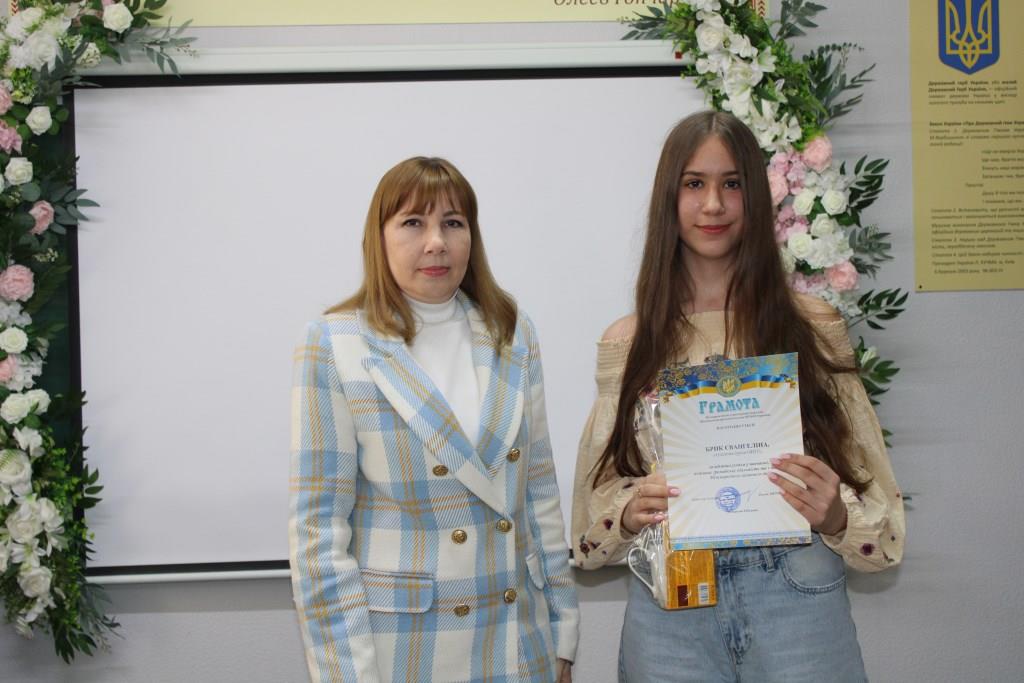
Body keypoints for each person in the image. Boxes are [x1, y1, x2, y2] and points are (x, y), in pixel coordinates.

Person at [570, 112, 904, 682]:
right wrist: (627, 512)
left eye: (732, 183)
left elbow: (882, 517)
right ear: (669, 197)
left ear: (755, 196)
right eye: (694, 183)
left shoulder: (813, 326)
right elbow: (587, 526)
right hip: (673, 605)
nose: (713, 205)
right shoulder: (628, 343)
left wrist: (833, 515)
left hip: (797, 597)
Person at [290, 157, 578, 683]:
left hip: (517, 641)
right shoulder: (336, 344)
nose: (436, 242)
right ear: (378, 238)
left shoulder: (513, 332)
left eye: (452, 222)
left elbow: (539, 490)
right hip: (404, 651)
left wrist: (563, 629)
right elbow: (318, 535)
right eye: (412, 222)